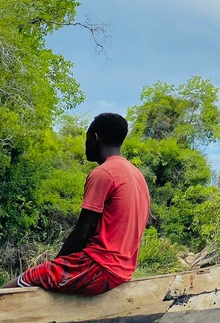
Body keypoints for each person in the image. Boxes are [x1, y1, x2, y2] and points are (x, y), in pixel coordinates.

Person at [3, 113, 150, 296]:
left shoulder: (103, 173)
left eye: (86, 138)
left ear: (94, 138)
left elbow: (82, 233)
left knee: (29, 277)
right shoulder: (137, 176)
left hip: (98, 268)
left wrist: (55, 266)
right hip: (123, 271)